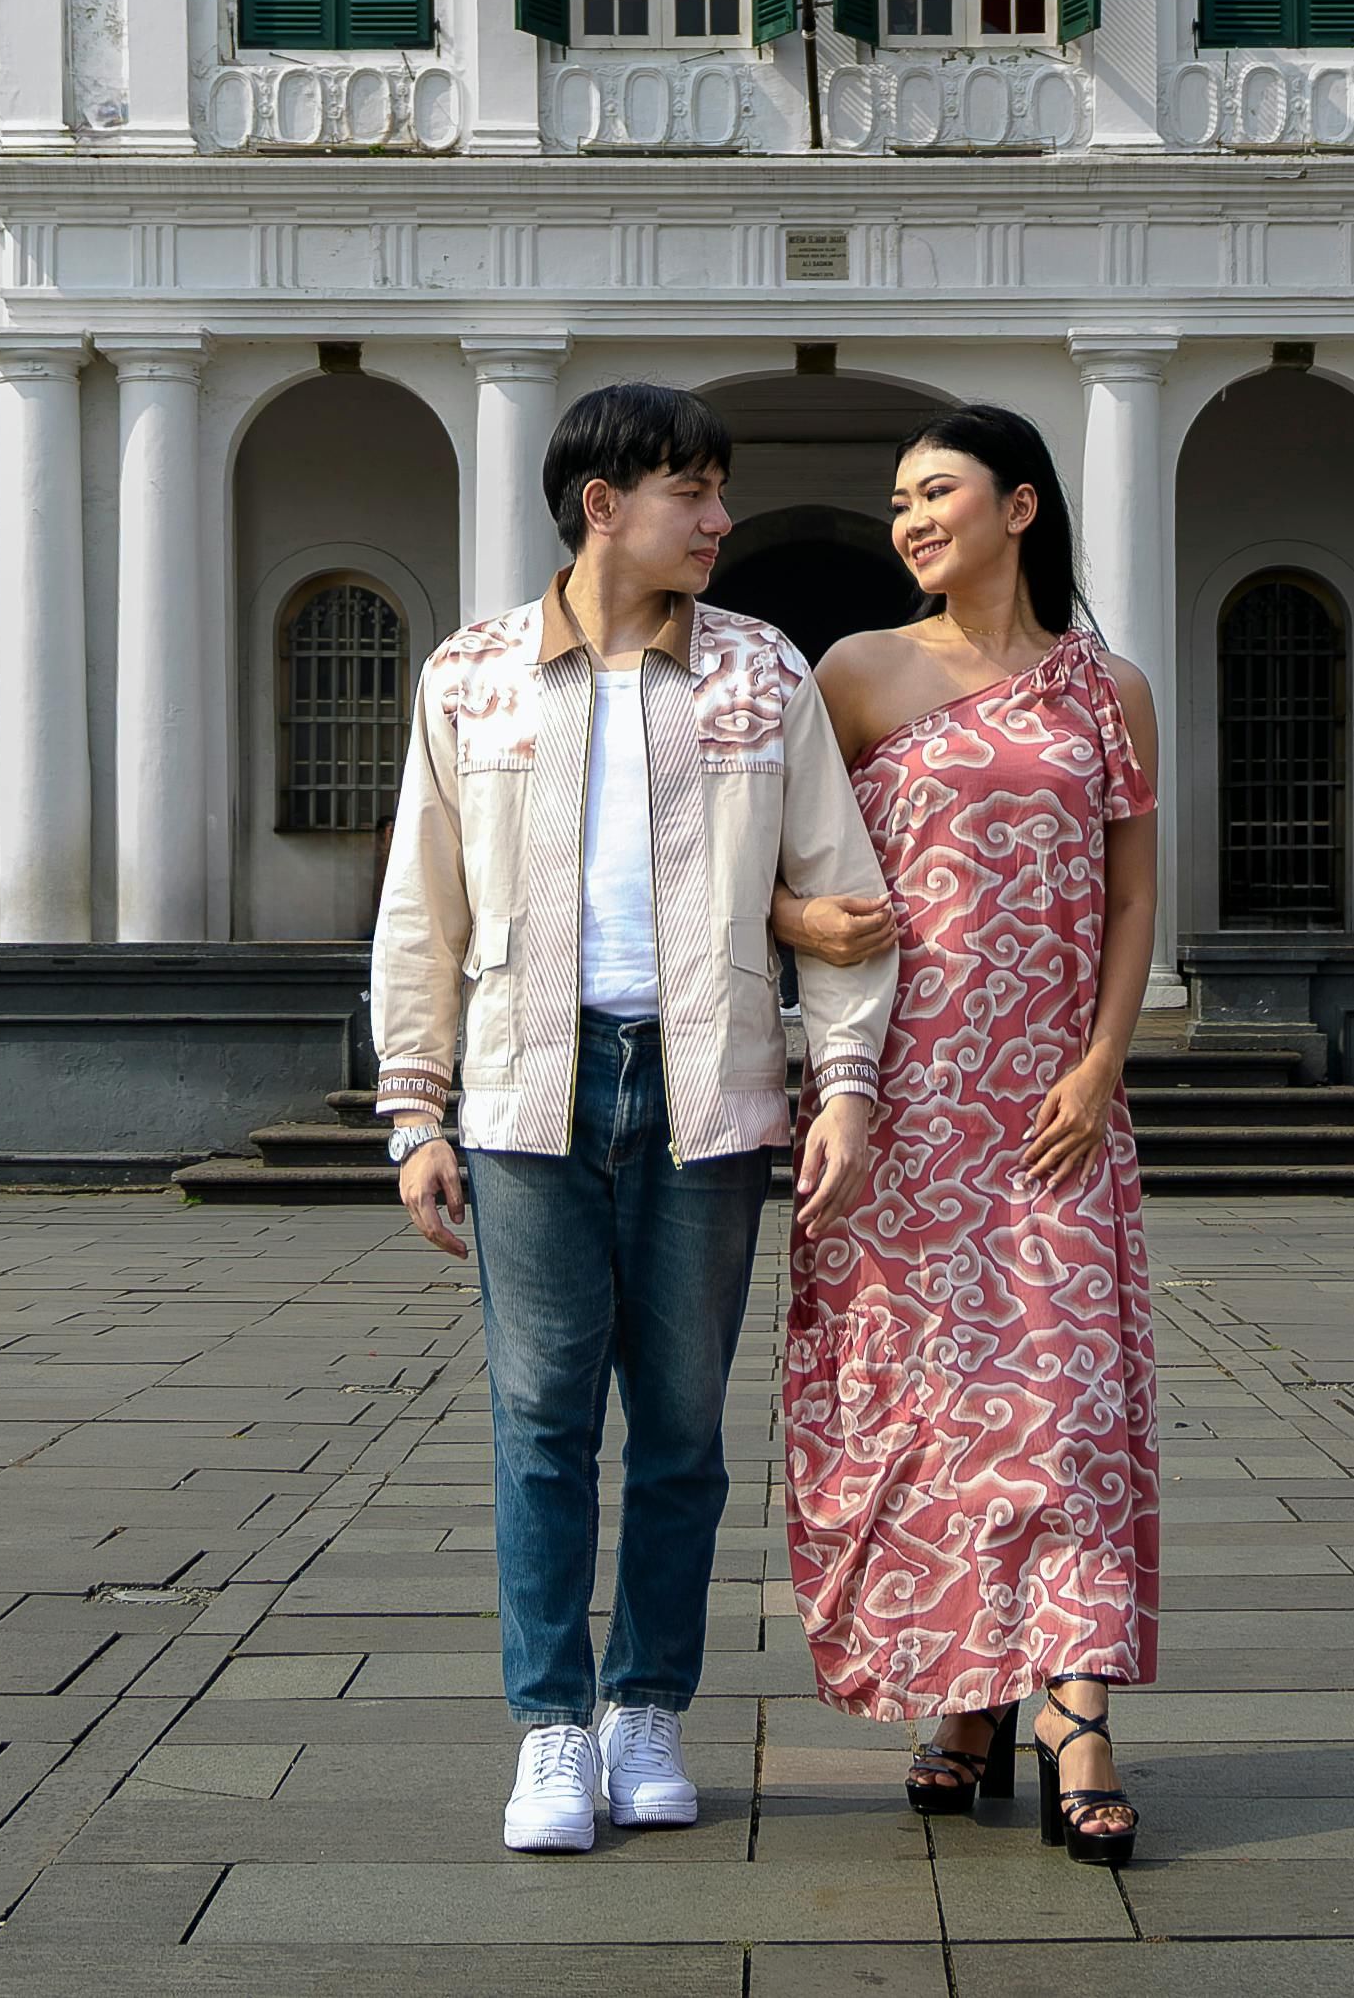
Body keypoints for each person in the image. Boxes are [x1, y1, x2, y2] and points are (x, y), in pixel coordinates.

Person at [369, 378, 898, 1855]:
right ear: (603, 506)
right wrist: (413, 1111)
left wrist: (840, 1081)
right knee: (539, 1425)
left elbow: (841, 891)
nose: (719, 519)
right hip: (527, 1099)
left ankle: (645, 1706)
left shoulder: (758, 672)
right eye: (692, 493)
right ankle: (549, 1728)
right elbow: (420, 907)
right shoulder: (471, 677)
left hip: (709, 1095)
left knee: (676, 1432)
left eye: (720, 492)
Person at [776, 402, 1162, 1865]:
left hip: (1053, 1112)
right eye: (894, 500)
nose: (910, 519)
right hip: (898, 1104)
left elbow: (1131, 897)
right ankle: (965, 1698)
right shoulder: (859, 672)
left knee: (1061, 1412)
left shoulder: (1104, 689)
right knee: (927, 1413)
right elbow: (767, 866)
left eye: (936, 492)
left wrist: (1102, 1061)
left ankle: (1073, 1713)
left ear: (1020, 506)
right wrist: (799, 919)